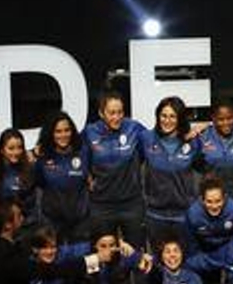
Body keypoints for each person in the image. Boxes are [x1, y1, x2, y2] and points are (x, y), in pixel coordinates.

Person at [83, 92, 150, 249]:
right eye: (112, 113)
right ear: (101, 113)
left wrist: (187, 133)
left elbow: (157, 140)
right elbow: (73, 153)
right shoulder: (89, 132)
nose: (117, 117)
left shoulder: (134, 128)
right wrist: (87, 177)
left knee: (136, 253)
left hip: (131, 204)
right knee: (106, 256)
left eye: (120, 112)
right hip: (101, 206)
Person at [141, 96, 202, 247]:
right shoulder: (146, 138)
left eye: (172, 116)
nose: (167, 121)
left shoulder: (193, 141)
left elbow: (207, 169)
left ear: (180, 118)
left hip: (184, 215)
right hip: (155, 215)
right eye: (164, 116)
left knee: (185, 260)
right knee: (158, 262)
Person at [35, 111, 90, 245]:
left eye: (67, 130)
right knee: (55, 262)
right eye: (58, 131)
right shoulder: (42, 156)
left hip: (80, 222)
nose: (63, 135)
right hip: (52, 222)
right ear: (51, 133)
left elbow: (92, 176)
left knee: (80, 260)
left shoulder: (83, 152)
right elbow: (39, 183)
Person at [195, 100, 233, 205]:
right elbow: (194, 167)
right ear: (213, 118)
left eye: (229, 118)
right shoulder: (203, 136)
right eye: (221, 119)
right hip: (212, 202)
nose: (226, 123)